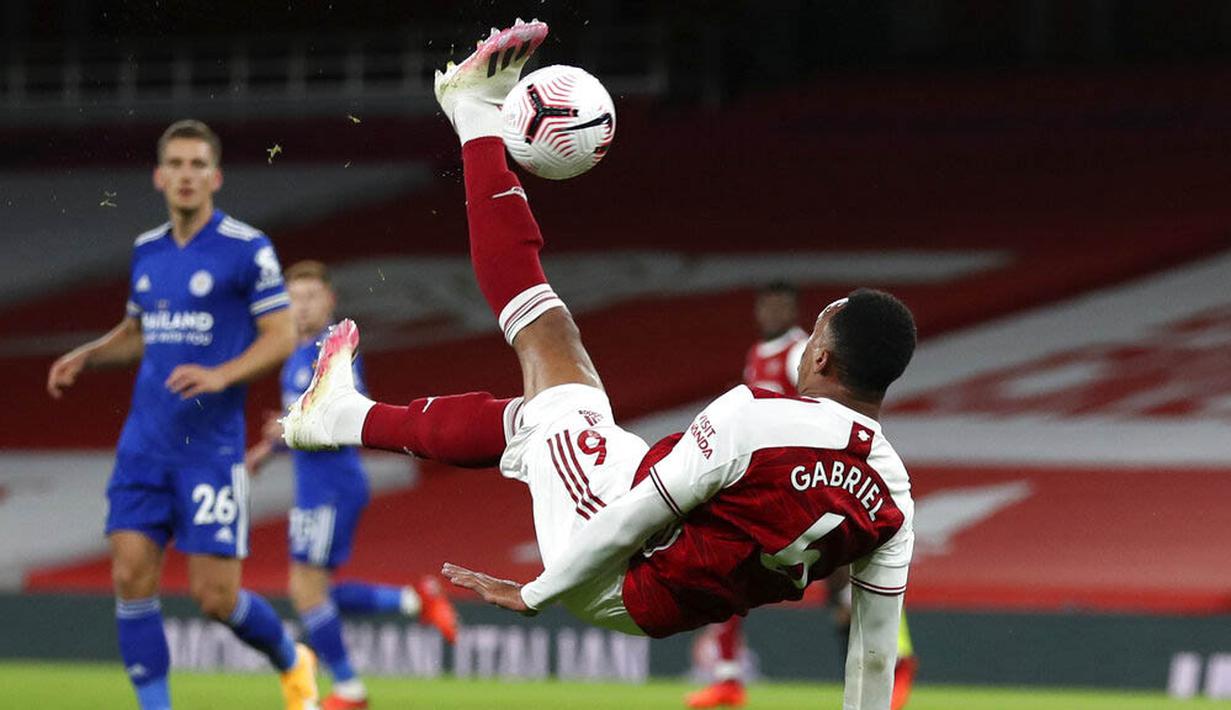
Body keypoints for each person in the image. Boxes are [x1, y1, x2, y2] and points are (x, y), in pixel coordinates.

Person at [282, 21, 916, 709]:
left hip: (619, 563)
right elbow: (873, 651)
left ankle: (473, 117)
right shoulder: (894, 496)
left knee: (549, 367)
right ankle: (341, 413)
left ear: (820, 354)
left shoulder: (756, 420)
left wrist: (537, 591)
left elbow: (639, 512)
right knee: (547, 398)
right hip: (667, 580)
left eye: (814, 330)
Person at [46, 120, 318, 710]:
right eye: (176, 164)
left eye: (197, 164)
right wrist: (87, 356)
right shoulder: (147, 250)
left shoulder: (247, 248)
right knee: (129, 577)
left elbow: (280, 335)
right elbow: (137, 333)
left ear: (215, 177)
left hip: (210, 450)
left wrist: (221, 374)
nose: (186, 175)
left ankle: (292, 659)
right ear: (159, 176)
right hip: (144, 445)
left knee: (216, 598)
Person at [687, 283, 919, 709]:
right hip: (777, 473)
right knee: (734, 562)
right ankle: (727, 675)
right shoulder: (757, 354)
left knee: (852, 573)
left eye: (780, 306)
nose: (772, 313)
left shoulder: (803, 350)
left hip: (809, 473)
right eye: (767, 305)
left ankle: (897, 661)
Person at [245, 259, 459, 710]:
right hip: (315, 487)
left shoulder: (333, 354)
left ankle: (349, 689)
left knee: (306, 590)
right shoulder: (296, 356)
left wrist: (284, 431)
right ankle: (414, 600)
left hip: (332, 486)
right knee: (312, 591)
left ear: (330, 300)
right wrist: (268, 448)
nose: (302, 306)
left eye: (311, 297)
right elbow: (302, 422)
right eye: (294, 298)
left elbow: (341, 417)